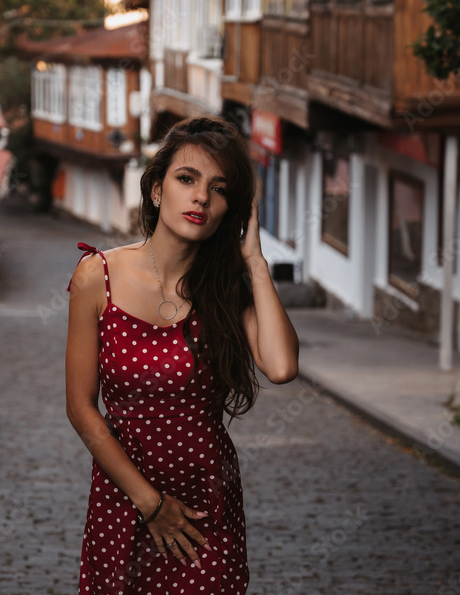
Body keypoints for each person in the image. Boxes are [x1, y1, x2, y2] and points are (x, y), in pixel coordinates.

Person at [65, 115, 300, 594]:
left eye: (218, 188)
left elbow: (281, 367)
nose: (200, 198)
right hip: (124, 500)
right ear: (157, 190)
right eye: (186, 179)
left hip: (203, 509)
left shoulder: (226, 290)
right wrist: (150, 504)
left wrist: (254, 261)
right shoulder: (97, 276)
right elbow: (81, 408)